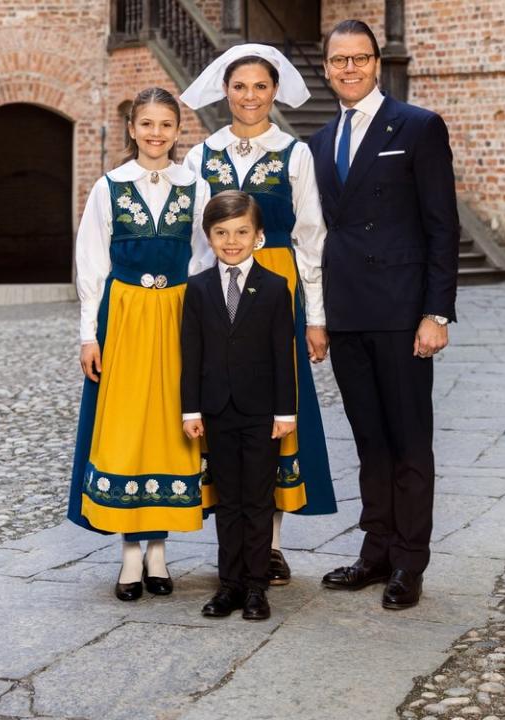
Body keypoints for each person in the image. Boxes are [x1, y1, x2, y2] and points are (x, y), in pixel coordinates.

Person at [308, 20, 459, 609]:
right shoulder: (320, 143)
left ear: (377, 63)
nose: (350, 68)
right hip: (347, 313)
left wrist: (436, 313)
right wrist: (318, 314)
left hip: (401, 312)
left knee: (408, 439)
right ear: (326, 68)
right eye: (339, 60)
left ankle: (409, 563)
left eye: (360, 58)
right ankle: (375, 551)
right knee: (368, 439)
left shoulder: (417, 127)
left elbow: (440, 226)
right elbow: (318, 233)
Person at [181, 44, 337, 586]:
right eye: (240, 86)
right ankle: (231, 539)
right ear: (226, 91)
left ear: (274, 92)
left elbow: (311, 238)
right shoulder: (202, 156)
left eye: (260, 87)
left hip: (278, 289)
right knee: (223, 406)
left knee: (274, 410)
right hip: (217, 294)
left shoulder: (295, 154)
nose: (250, 97)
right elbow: (198, 245)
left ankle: (268, 544)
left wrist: (315, 316)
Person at [67, 87, 214, 602]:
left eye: (165, 125)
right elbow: (92, 265)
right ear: (131, 128)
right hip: (124, 317)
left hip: (176, 314)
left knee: (172, 427)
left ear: (179, 131)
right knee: (127, 427)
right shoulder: (109, 188)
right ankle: (130, 555)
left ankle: (159, 551)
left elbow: (204, 259)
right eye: (146, 124)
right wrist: (90, 333)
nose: (156, 134)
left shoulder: (195, 187)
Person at [180, 191, 296, 621]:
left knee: (257, 500)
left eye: (242, 232)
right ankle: (228, 585)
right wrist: (190, 411)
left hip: (262, 412)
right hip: (216, 410)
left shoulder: (274, 288)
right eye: (222, 233)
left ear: (258, 236)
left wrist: (286, 412)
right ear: (209, 237)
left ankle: (255, 587)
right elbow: (190, 354)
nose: (232, 241)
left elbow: (283, 355)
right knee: (227, 500)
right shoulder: (197, 288)